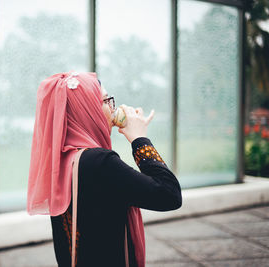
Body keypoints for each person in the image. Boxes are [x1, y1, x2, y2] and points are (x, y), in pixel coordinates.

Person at [27, 71, 182, 267]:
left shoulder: (62, 158)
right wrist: (140, 139)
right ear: (87, 110)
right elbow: (169, 194)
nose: (112, 108)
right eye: (105, 101)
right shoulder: (99, 162)